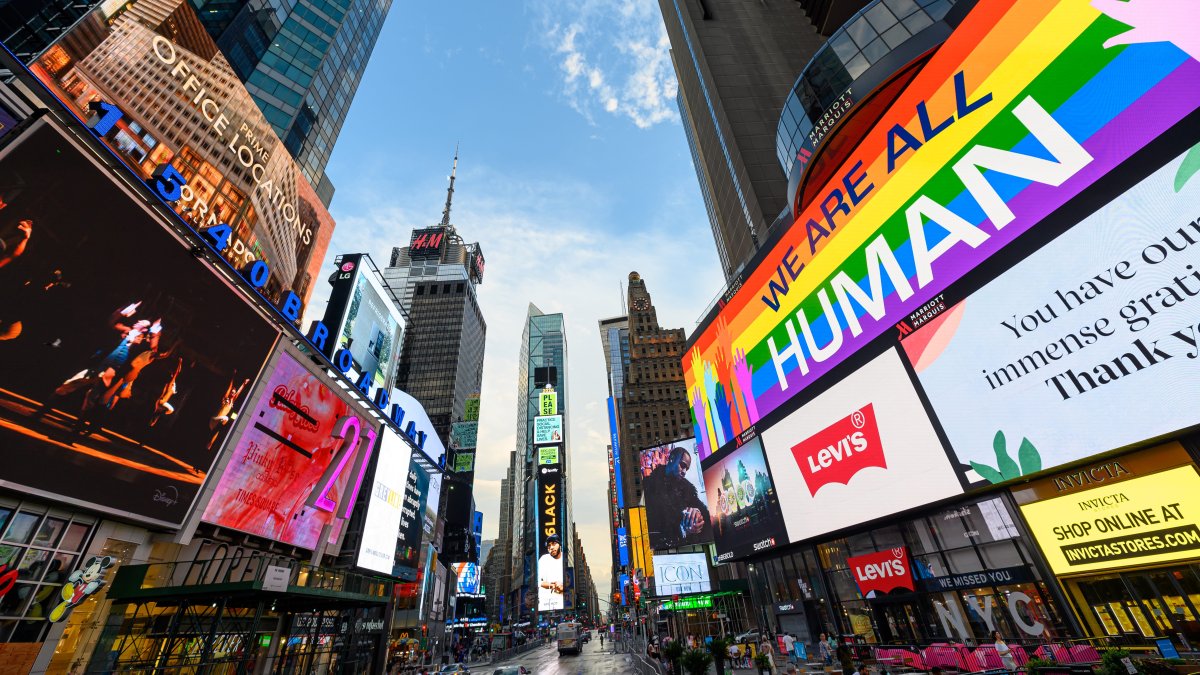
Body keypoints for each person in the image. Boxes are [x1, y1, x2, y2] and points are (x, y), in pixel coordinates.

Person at [643, 446, 713, 547]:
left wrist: (698, 516)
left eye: (687, 469)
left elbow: (703, 515)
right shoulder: (648, 485)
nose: (684, 472)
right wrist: (681, 530)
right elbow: (651, 528)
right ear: (671, 459)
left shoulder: (688, 489)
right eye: (682, 465)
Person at [537, 534, 564, 608]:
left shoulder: (566, 559)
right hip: (544, 604)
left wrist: (563, 587)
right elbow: (538, 581)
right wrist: (552, 585)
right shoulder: (544, 559)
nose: (551, 547)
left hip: (563, 603)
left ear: (560, 544)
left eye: (554, 544)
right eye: (549, 546)